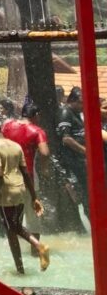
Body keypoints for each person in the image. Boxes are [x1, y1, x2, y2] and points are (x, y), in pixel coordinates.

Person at [0, 114, 50, 274]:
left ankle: (39, 247)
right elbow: (26, 173)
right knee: (13, 229)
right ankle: (20, 270)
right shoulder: (15, 146)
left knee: (13, 228)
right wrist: (34, 197)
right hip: (20, 190)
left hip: (6, 193)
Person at [2, 99, 50, 250]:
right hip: (27, 177)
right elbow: (44, 152)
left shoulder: (7, 126)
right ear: (35, 115)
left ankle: (16, 254)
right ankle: (36, 251)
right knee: (33, 214)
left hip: (7, 176)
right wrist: (44, 168)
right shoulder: (37, 131)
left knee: (12, 216)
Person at [57, 86, 89, 221]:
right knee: (85, 196)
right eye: (81, 103)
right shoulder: (65, 112)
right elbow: (66, 139)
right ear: (73, 101)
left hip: (81, 162)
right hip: (73, 163)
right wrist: (86, 152)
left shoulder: (76, 113)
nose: (83, 106)